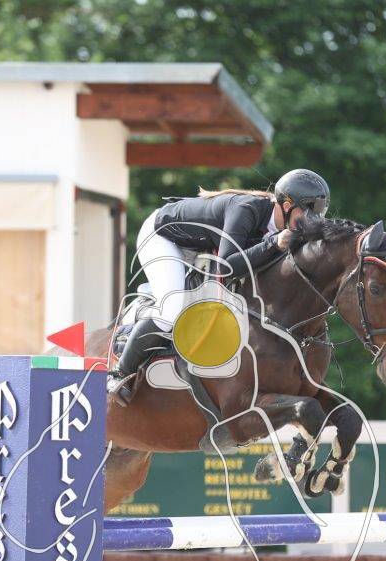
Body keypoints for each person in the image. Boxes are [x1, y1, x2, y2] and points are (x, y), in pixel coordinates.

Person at [108, 169, 331, 396]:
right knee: (172, 308)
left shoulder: (284, 226)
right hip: (162, 237)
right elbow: (226, 266)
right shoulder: (246, 209)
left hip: (197, 246)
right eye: (307, 215)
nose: (309, 223)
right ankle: (120, 373)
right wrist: (273, 244)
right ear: (287, 206)